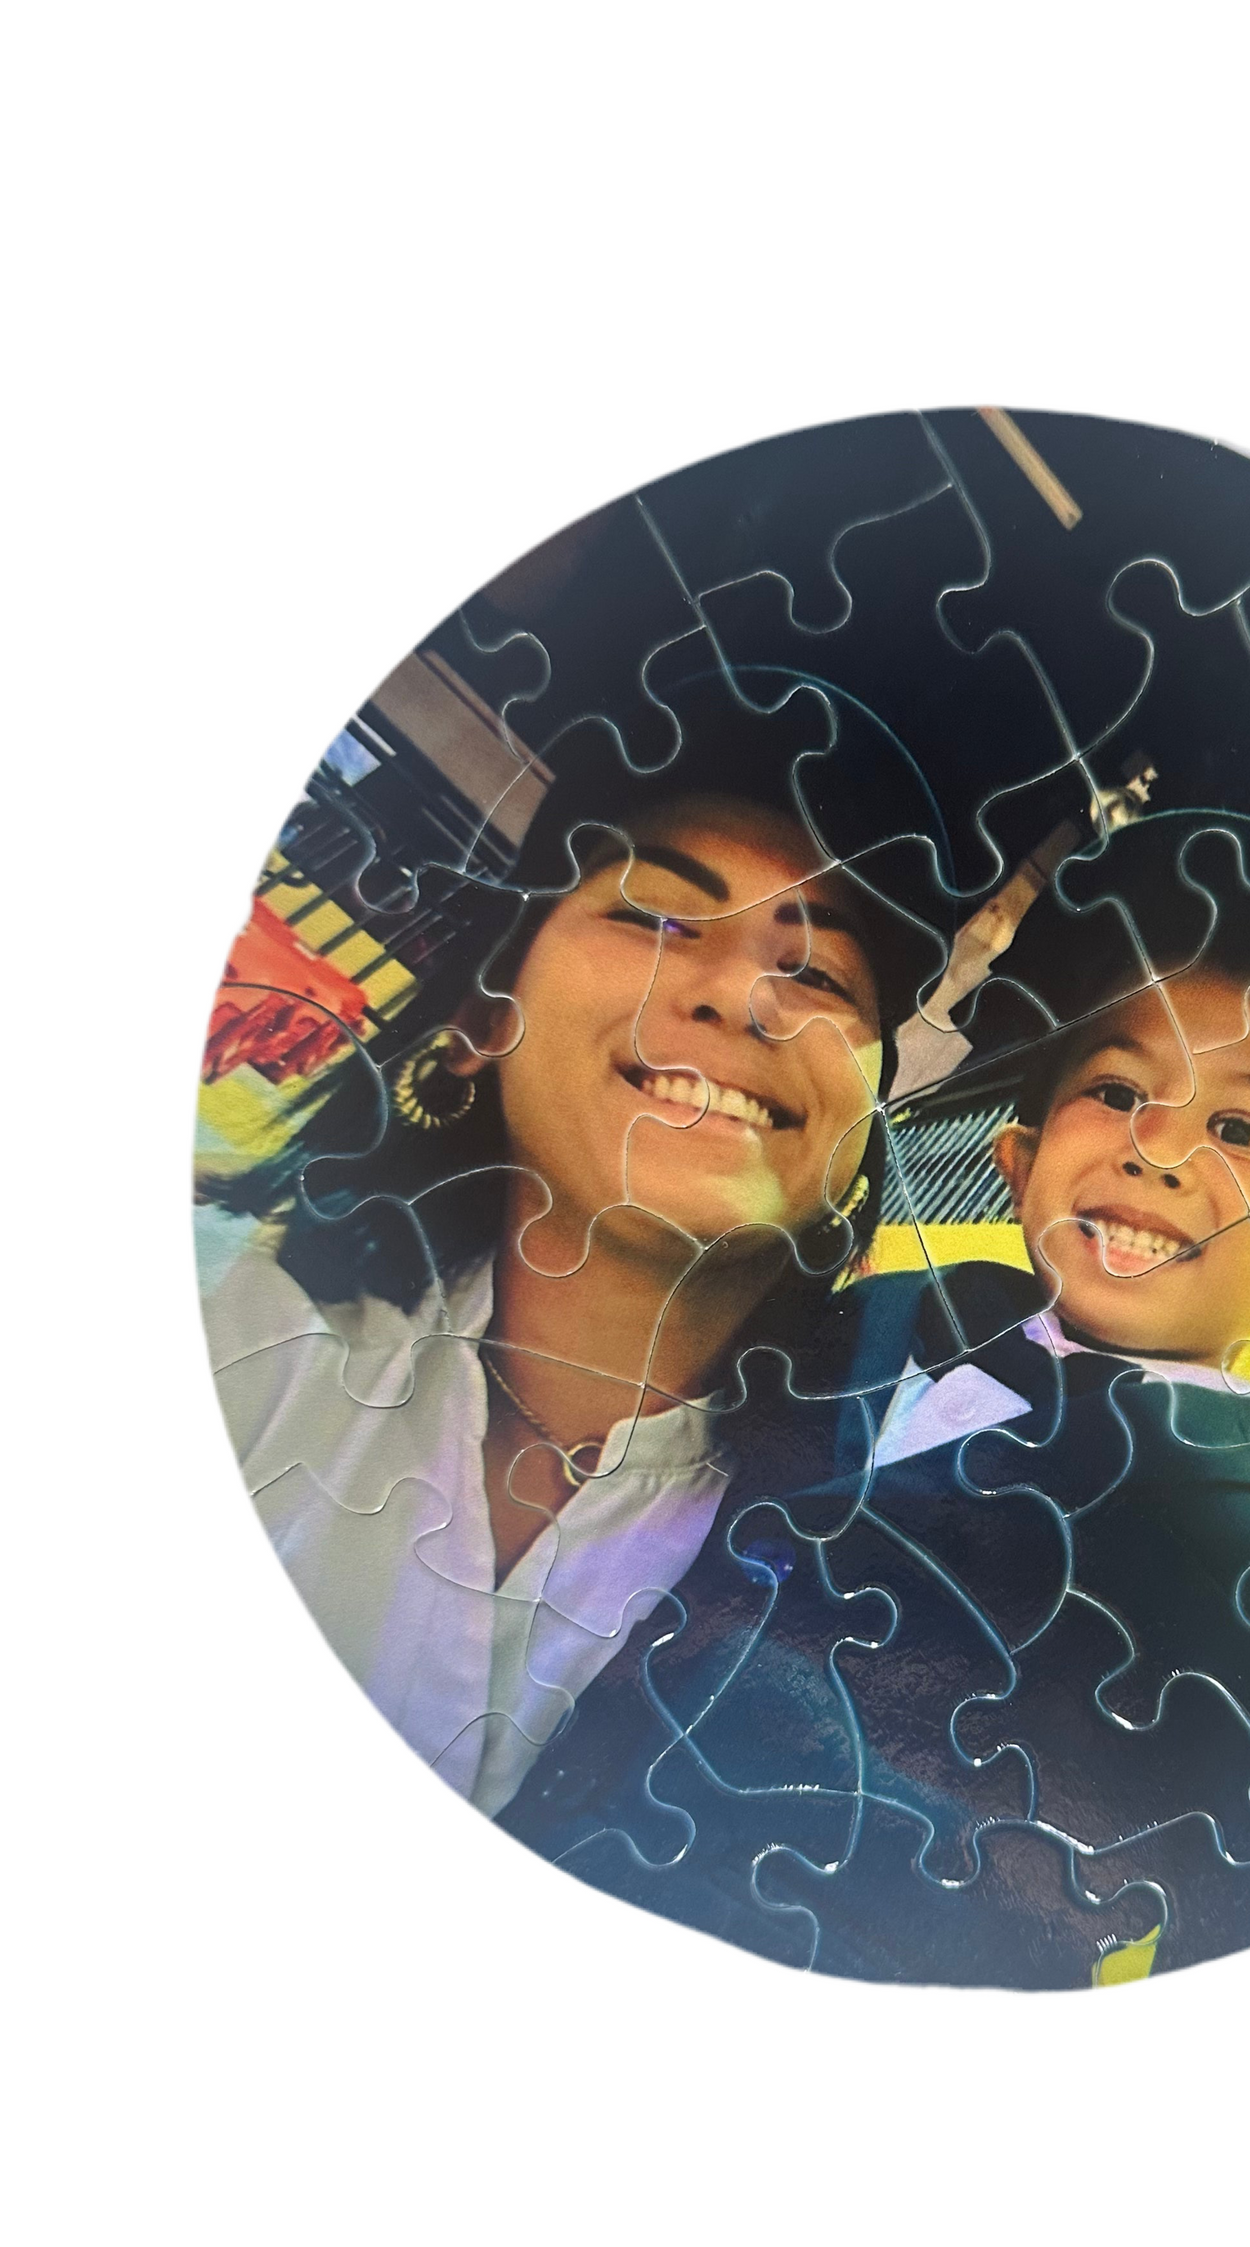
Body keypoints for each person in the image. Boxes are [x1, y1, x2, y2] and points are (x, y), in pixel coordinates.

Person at [498, 812, 1250, 1983]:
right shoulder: (871, 1316)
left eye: (1239, 1128)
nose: (1156, 1149)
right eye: (1114, 1088)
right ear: (1017, 1163)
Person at [200, 671, 959, 1818]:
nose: (741, 995)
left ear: (859, 1129)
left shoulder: (902, 1571)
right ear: (480, 1021)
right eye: (653, 917)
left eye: (817, 973)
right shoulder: (223, 1323)